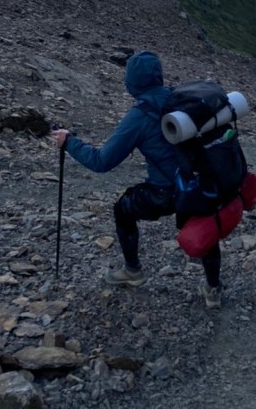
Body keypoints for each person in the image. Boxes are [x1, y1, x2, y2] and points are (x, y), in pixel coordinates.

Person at [51, 49, 223, 308]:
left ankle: (133, 270)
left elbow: (101, 162)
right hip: (201, 183)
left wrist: (69, 142)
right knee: (203, 223)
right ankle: (213, 289)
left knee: (123, 209)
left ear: (131, 83)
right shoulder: (181, 99)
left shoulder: (139, 116)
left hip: (166, 192)